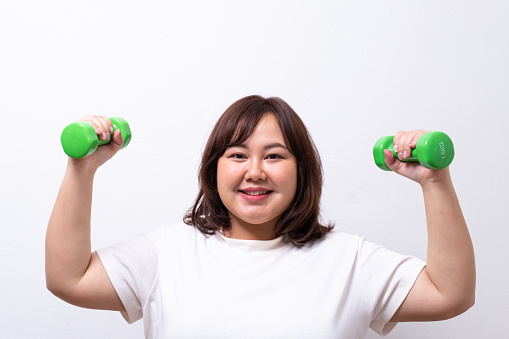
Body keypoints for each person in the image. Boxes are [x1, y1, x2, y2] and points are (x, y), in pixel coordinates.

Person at [46, 95, 475, 338]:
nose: (255, 171)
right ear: (214, 170)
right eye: (237, 155)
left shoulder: (350, 261)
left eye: (274, 155)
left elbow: (450, 295)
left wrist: (435, 182)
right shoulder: (166, 253)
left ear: (301, 170)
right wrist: (81, 169)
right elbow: (69, 278)